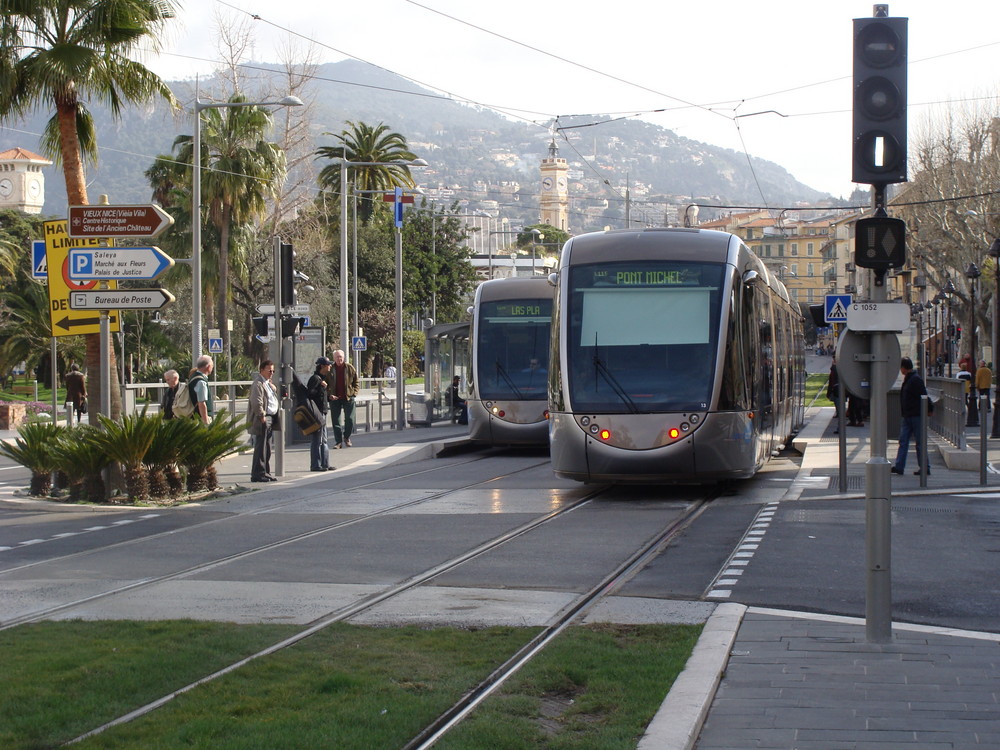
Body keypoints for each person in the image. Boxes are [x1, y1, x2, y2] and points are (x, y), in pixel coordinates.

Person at [892, 357, 929, 476]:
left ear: (904, 368)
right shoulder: (910, 379)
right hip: (908, 415)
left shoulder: (914, 380)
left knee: (918, 443)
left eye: (901, 367)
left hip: (915, 415)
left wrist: (929, 408)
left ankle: (924, 467)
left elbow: (924, 396)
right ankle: (899, 466)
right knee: (904, 441)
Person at [247, 360, 280, 482]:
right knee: (261, 447)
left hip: (270, 417)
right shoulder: (258, 384)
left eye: (273, 371)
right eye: (269, 370)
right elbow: (257, 401)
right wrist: (261, 416)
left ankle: (265, 471)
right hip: (263, 418)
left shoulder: (267, 383)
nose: (271, 373)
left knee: (267, 447)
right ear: (261, 370)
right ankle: (258, 474)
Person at [325, 349, 359, 449]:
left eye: (340, 357)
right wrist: (329, 394)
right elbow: (325, 382)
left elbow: (356, 381)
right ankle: (338, 442)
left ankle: (347, 437)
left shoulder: (349, 368)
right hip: (335, 398)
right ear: (334, 358)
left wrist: (354, 393)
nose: (339, 359)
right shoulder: (330, 368)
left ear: (343, 357)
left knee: (350, 419)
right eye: (337, 357)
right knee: (336, 421)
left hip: (348, 397)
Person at [307, 357, 333, 471]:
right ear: (322, 366)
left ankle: (325, 463)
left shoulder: (321, 379)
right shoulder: (315, 379)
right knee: (317, 440)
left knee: (324, 439)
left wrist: (329, 398)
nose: (330, 366)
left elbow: (320, 397)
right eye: (328, 365)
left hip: (322, 411)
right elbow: (310, 394)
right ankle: (315, 465)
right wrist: (320, 387)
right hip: (317, 413)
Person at [187, 355, 215, 424]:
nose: (212, 367)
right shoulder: (201, 382)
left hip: (193, 417)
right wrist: (205, 421)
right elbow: (201, 403)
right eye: (212, 365)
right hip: (199, 418)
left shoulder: (193, 376)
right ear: (208, 366)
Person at [826, 358, 841, 433]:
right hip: (840, 392)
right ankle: (840, 428)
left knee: (840, 412)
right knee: (840, 411)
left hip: (837, 392)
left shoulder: (834, 369)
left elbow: (831, 382)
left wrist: (828, 393)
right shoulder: (840, 368)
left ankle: (840, 429)